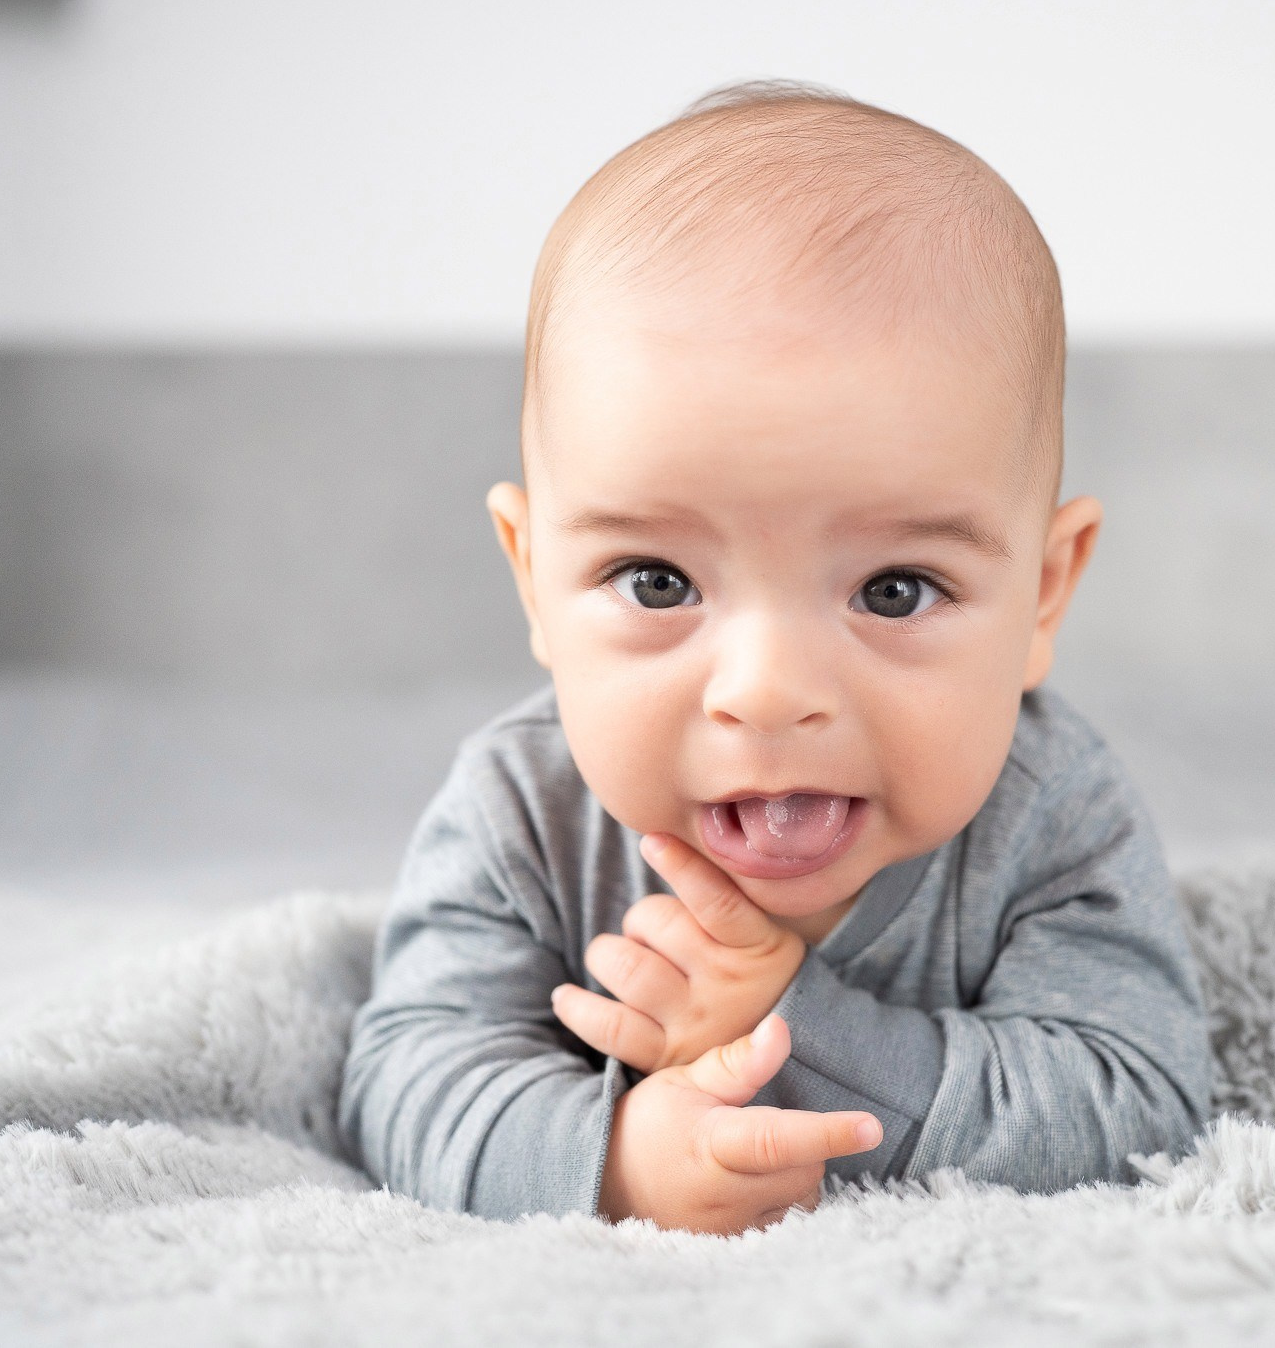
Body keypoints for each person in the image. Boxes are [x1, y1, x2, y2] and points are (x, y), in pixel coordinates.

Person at [339, 81, 1214, 1236]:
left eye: (893, 591)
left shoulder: (1051, 818)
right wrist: (619, 1165)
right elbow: (407, 1083)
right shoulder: (523, 813)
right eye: (656, 582)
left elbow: (1135, 1105)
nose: (765, 692)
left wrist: (783, 1025)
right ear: (533, 576)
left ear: (1041, 593)